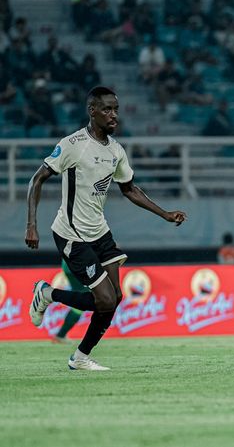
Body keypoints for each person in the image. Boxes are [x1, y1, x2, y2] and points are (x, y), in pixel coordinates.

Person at [25, 86, 187, 371]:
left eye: (116, 109)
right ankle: (48, 294)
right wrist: (32, 225)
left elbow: (130, 189)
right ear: (92, 111)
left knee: (114, 299)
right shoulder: (73, 144)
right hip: (71, 234)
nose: (114, 115)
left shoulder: (116, 150)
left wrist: (164, 214)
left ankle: (80, 357)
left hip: (100, 233)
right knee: (104, 299)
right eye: (107, 109)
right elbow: (37, 179)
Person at [51, 260, 88, 344]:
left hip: (71, 263)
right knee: (82, 300)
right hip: (78, 262)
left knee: (81, 301)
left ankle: (60, 335)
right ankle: (60, 335)